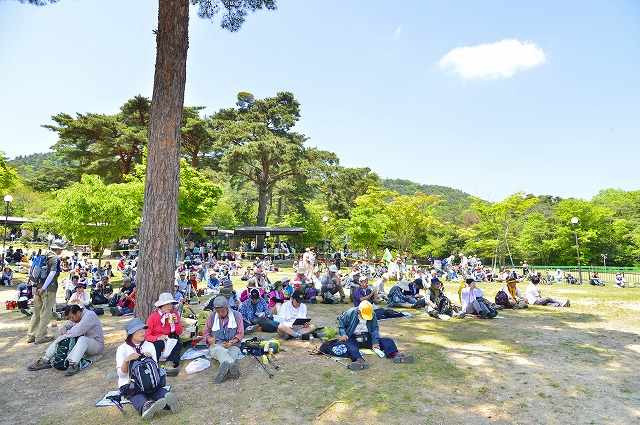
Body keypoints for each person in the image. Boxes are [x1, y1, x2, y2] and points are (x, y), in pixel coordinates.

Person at [115, 318, 180, 419]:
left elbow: (155, 368)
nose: (142, 332)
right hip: (131, 382)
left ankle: (168, 402)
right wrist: (126, 361)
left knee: (157, 388)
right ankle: (146, 408)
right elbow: (122, 375)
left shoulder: (149, 345)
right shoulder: (122, 349)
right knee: (134, 393)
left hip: (149, 380)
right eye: (139, 330)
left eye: (144, 329)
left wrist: (150, 359)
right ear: (131, 333)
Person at [27, 304, 104, 376]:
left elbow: (77, 331)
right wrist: (62, 329)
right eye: (69, 318)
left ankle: (73, 364)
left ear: (78, 312)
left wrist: (65, 333)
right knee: (63, 336)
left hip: (96, 345)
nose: (71, 319)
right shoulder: (75, 317)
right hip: (82, 346)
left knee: (81, 338)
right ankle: (45, 359)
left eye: (72, 317)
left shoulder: (89, 315)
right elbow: (64, 326)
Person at [337, 300, 414, 369]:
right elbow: (341, 325)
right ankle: (359, 360)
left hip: (367, 337)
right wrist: (343, 334)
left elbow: (374, 329)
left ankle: (396, 354)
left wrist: (375, 341)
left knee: (388, 341)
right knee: (350, 345)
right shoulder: (350, 313)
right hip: (353, 338)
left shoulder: (372, 314)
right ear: (359, 311)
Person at [26, 239, 65, 344]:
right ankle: (40, 336)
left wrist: (36, 286)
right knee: (46, 313)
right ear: (58, 249)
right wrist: (44, 288)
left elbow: (34, 272)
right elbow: (52, 274)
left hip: (38, 286)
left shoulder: (44, 256)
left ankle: (31, 335)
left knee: (36, 313)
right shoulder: (55, 258)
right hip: (48, 288)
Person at [202, 295, 244, 384]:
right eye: (218, 311)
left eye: (222, 310)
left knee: (233, 353)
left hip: (232, 344)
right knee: (220, 351)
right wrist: (209, 339)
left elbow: (240, 334)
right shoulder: (211, 316)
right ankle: (231, 367)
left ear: (227, 307)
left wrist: (233, 341)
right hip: (216, 345)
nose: (220, 313)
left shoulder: (237, 315)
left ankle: (225, 370)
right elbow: (205, 333)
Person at [145, 293, 183, 376]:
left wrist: (176, 322)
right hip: (157, 340)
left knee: (178, 344)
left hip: (171, 339)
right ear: (161, 306)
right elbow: (147, 336)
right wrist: (158, 338)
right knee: (159, 343)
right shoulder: (153, 317)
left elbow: (179, 332)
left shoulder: (174, 314)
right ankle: (153, 364)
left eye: (170, 304)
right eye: (166, 304)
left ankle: (170, 364)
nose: (169, 306)